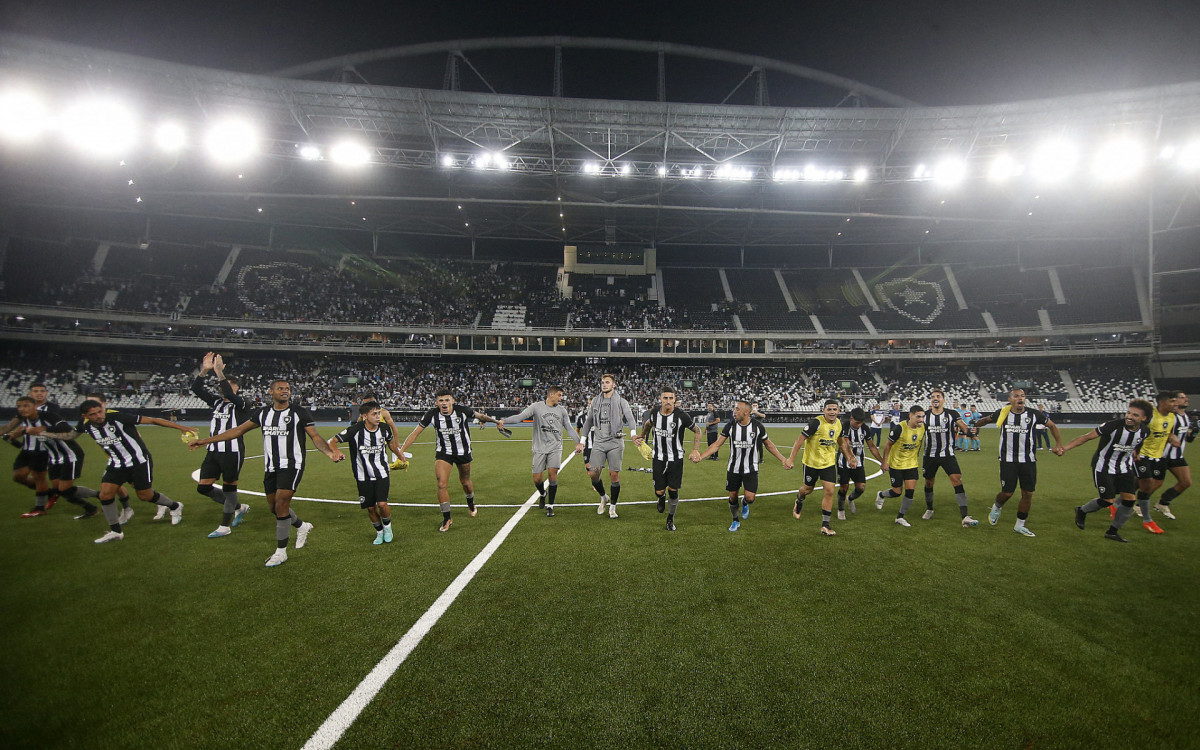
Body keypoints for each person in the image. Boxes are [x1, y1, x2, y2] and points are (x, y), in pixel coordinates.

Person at [191, 380, 344, 566]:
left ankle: (281, 551)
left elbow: (315, 436)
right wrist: (206, 441)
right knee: (274, 508)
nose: (285, 391)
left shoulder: (298, 413)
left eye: (288, 389)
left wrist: (330, 452)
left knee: (281, 503)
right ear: (271, 391)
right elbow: (238, 430)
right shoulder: (262, 413)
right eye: (281, 389)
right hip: (271, 466)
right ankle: (302, 526)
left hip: (292, 465)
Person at [31, 400, 190, 543]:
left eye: (100, 411)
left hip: (138, 461)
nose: (99, 416)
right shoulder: (85, 424)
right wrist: (46, 433)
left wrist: (182, 428)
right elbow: (71, 435)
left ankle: (175, 506)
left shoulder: (118, 417)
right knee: (105, 494)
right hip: (116, 463)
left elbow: (153, 420)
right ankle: (115, 532)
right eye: (93, 414)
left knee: (145, 495)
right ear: (85, 415)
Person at [396, 388, 502, 532]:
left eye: (447, 400)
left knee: (465, 482)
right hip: (443, 453)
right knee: (441, 483)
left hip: (463, 452)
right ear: (436, 402)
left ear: (452, 400)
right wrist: (401, 451)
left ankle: (471, 503)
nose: (444, 403)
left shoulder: (462, 411)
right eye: (441, 400)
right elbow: (415, 433)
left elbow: (481, 416)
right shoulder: (431, 415)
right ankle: (447, 518)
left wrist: (496, 421)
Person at [972, 389, 1064, 537]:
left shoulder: (1034, 414)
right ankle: (997, 506)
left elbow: (1052, 426)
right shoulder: (1003, 413)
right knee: (1007, 493)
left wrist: (1058, 444)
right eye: (1016, 396)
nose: (1020, 398)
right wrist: (973, 426)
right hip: (1008, 460)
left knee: (1028, 493)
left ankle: (1020, 525)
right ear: (1011, 399)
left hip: (1028, 460)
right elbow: (986, 420)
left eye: (1022, 396)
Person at [691, 399, 791, 532]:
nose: (734, 411)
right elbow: (717, 444)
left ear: (747, 412)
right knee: (732, 496)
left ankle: (744, 503)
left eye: (737, 409)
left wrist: (783, 459)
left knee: (750, 498)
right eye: (734, 409)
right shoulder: (730, 426)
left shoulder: (757, 426)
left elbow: (769, 445)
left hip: (751, 468)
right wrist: (701, 456)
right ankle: (735, 520)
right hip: (734, 468)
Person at [1061, 400, 1154, 543]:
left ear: (1144, 419)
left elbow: (1137, 443)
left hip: (1124, 468)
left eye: (1135, 415)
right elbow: (1086, 437)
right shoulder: (1113, 426)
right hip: (1103, 466)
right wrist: (1065, 448)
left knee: (1130, 500)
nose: (1129, 416)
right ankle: (1082, 511)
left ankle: (1112, 532)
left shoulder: (1145, 431)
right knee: (1108, 500)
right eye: (1128, 412)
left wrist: (1136, 453)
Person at [190, 352, 253, 538]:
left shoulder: (242, 404)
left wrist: (219, 373)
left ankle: (224, 526)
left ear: (237, 387)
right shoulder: (217, 402)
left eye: (229, 385)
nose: (222, 388)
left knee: (229, 488)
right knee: (203, 487)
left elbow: (229, 393)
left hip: (232, 452)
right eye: (222, 386)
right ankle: (239, 507)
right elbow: (196, 389)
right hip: (213, 452)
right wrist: (205, 371)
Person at [498, 385, 582, 518]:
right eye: (559, 395)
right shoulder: (536, 407)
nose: (561, 398)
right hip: (539, 447)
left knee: (552, 474)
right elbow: (520, 417)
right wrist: (504, 420)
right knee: (537, 479)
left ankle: (550, 506)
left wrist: (578, 442)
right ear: (551, 395)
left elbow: (569, 428)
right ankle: (543, 494)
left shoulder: (562, 411)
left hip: (555, 447)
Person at [329, 403, 401, 545]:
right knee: (370, 507)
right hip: (362, 476)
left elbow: (391, 444)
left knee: (382, 504)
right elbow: (333, 441)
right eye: (374, 414)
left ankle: (387, 528)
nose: (378, 417)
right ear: (364, 415)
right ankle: (379, 532)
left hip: (382, 473)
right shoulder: (355, 430)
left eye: (378, 413)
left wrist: (400, 456)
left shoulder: (385, 429)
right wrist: (336, 451)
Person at [579, 374, 641, 519]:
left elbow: (630, 418)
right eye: (602, 382)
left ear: (614, 385)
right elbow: (588, 422)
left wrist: (633, 433)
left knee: (614, 475)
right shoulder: (595, 401)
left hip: (615, 441)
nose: (604, 384)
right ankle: (603, 497)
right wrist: (582, 441)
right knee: (593, 474)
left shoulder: (621, 401)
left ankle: (612, 506)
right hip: (599, 442)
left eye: (607, 382)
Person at [640, 386, 703, 531]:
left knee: (673, 491)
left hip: (676, 459)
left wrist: (695, 450)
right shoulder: (654, 413)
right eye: (665, 398)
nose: (668, 401)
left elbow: (697, 431)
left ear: (675, 400)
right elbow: (648, 424)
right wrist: (643, 435)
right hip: (659, 458)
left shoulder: (681, 415)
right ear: (660, 399)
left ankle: (670, 518)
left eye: (671, 398)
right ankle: (661, 498)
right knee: (659, 491)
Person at [789, 399, 854, 535]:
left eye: (834, 409)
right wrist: (791, 459)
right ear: (824, 410)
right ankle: (799, 499)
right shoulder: (816, 423)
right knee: (807, 489)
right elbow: (799, 441)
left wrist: (849, 458)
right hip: (811, 463)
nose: (832, 412)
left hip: (828, 464)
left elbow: (841, 443)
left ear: (839, 411)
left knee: (829, 490)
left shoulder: (839, 425)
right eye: (829, 409)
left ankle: (825, 525)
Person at [921, 389, 980, 527]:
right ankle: (929, 509)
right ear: (931, 400)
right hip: (929, 455)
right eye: (933, 396)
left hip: (947, 454)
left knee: (957, 479)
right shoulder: (925, 415)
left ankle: (965, 516)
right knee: (929, 482)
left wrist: (970, 432)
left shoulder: (951, 413)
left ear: (943, 400)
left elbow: (964, 427)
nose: (935, 398)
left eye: (938, 396)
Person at [1130, 391, 1181, 534]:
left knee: (1145, 484)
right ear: (1162, 402)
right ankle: (1147, 520)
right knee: (1147, 484)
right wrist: (1134, 450)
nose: (1175, 404)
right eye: (1172, 401)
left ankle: (1115, 502)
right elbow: (1136, 430)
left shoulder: (1171, 417)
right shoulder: (1150, 416)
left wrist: (1172, 437)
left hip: (1159, 457)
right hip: (1143, 456)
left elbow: (1165, 432)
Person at [81, 392, 133, 522]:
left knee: (139, 487)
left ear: (103, 404)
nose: (90, 407)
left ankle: (164, 504)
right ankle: (126, 510)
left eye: (94, 403)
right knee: (114, 486)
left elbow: (134, 433)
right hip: (113, 459)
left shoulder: (114, 415)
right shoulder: (88, 420)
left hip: (129, 459)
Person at [875, 405, 928, 527]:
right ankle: (881, 494)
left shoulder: (923, 427)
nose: (921, 419)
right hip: (896, 465)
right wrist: (884, 462)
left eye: (923, 417)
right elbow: (888, 445)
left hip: (912, 464)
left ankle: (900, 517)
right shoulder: (899, 428)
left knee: (910, 492)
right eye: (918, 416)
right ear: (910, 416)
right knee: (897, 492)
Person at [0, 397, 54, 517]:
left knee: (39, 477)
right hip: (26, 450)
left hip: (42, 450)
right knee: (18, 476)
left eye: (25, 406)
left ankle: (39, 508)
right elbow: (5, 429)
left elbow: (57, 428)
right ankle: (49, 493)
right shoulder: (21, 417)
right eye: (19, 406)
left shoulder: (46, 415)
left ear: (34, 405)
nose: (22, 409)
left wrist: (27, 430)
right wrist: (11, 434)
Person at [835, 407, 883, 520]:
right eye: (857, 423)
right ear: (851, 418)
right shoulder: (843, 427)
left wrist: (882, 461)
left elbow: (871, 446)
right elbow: (844, 444)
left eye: (861, 423)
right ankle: (841, 510)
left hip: (859, 462)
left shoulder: (865, 429)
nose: (859, 425)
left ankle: (850, 499)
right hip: (844, 462)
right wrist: (851, 458)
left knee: (861, 487)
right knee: (844, 487)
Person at [1155, 392, 1194, 519]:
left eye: (1185, 397)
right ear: (1174, 401)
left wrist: (1191, 434)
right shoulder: (1171, 416)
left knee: (1186, 482)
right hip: (1162, 455)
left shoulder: (1185, 416)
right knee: (1150, 483)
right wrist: (1170, 437)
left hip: (1177, 456)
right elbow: (1159, 432)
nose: (1186, 399)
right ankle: (1128, 502)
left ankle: (1163, 503)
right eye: (1182, 398)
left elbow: (1185, 438)